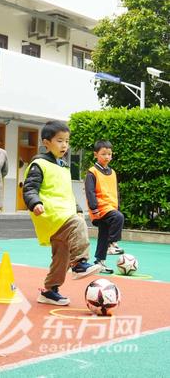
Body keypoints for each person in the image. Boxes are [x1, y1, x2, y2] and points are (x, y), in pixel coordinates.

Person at [23, 120, 102, 306]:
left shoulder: (63, 166)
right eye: (60, 141)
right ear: (46, 143)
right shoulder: (39, 164)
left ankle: (50, 290)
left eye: (67, 141)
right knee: (77, 224)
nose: (64, 145)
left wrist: (78, 208)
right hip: (50, 214)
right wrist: (35, 203)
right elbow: (29, 188)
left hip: (62, 214)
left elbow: (65, 192)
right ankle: (80, 263)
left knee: (62, 256)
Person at [85, 140, 125, 274]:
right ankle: (112, 244)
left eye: (109, 154)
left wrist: (117, 206)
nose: (107, 156)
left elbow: (115, 191)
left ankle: (99, 262)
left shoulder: (112, 172)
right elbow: (90, 191)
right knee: (118, 218)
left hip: (110, 207)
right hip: (100, 208)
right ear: (96, 154)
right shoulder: (92, 172)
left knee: (103, 234)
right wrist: (94, 208)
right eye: (103, 154)